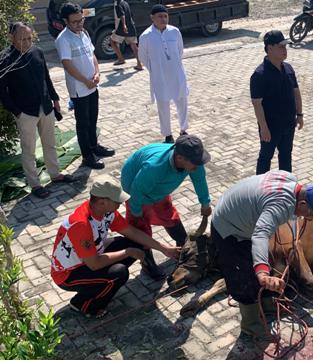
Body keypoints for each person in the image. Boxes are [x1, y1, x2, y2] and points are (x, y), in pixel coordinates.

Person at [211, 170, 313, 338]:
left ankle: (267, 304)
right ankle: (250, 325)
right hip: (228, 228)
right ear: (302, 203)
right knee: (243, 276)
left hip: (237, 212)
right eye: (311, 213)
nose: (309, 219)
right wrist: (262, 272)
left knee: (261, 259)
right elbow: (260, 234)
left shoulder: (290, 179)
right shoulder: (282, 205)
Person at [50, 175, 180, 318]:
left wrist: (163, 248)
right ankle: (82, 305)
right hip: (69, 274)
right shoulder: (81, 224)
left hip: (90, 256)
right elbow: (94, 264)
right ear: (102, 202)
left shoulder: (106, 211)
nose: (120, 204)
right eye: (117, 201)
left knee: (137, 243)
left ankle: (97, 287)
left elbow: (130, 231)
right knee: (118, 273)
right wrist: (128, 252)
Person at [0, 22, 76, 198]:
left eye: (29, 38)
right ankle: (35, 184)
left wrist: (55, 99)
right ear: (12, 38)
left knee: (50, 143)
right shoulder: (5, 59)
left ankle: (55, 174)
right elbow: (1, 91)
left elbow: (46, 78)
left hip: (45, 106)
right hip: (25, 111)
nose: (27, 42)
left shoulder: (37, 52)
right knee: (29, 150)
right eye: (22, 39)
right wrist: (16, 111)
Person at [121, 134, 212, 279]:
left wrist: (205, 203)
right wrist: (137, 214)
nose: (198, 165)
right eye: (195, 162)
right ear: (180, 158)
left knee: (168, 214)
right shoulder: (155, 167)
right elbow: (136, 193)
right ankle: (147, 263)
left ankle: (182, 246)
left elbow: (199, 180)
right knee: (141, 228)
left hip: (157, 188)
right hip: (135, 188)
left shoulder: (193, 163)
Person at [55, 2, 115, 170]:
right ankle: (87, 156)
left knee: (93, 117)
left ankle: (95, 146)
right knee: (83, 122)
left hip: (92, 84)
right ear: (65, 21)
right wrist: (85, 80)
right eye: (74, 22)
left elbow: (92, 55)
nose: (79, 24)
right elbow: (67, 65)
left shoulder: (84, 33)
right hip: (79, 88)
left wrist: (97, 73)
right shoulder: (63, 39)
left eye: (81, 20)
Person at [250, 30, 303, 175]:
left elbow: (296, 92)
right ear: (270, 48)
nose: (285, 50)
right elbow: (257, 103)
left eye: (285, 47)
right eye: (281, 47)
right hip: (271, 127)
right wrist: (263, 128)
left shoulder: (288, 68)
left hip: (288, 124)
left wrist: (299, 114)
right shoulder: (259, 75)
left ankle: (286, 188)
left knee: (286, 156)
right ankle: (259, 189)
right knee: (265, 157)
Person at [138, 4, 190, 143]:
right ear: (152, 18)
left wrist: (171, 64)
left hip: (176, 73)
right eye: (160, 16)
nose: (163, 19)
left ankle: (183, 129)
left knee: (182, 101)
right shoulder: (146, 36)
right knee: (163, 104)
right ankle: (167, 134)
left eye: (165, 16)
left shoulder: (174, 31)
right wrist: (156, 69)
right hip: (159, 76)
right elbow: (142, 56)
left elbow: (180, 51)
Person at [111, 0, 143, 70]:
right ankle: (139, 64)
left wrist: (124, 25)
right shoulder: (125, 3)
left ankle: (121, 59)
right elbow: (131, 15)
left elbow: (122, 15)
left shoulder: (118, 4)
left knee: (112, 42)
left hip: (121, 28)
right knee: (134, 46)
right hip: (131, 26)